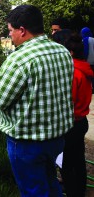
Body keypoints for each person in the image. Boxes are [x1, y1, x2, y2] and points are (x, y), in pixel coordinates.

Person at [0, 5, 74, 196]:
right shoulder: (63, 52)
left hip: (28, 143)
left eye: (10, 30)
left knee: (34, 191)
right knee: (51, 183)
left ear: (22, 30)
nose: (9, 35)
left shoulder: (20, 59)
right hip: (56, 139)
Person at [55, 32, 93, 197]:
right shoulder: (84, 68)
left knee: (67, 163)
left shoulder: (72, 73)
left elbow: (68, 101)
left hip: (71, 123)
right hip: (81, 121)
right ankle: (80, 189)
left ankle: (72, 192)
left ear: (70, 52)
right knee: (78, 160)